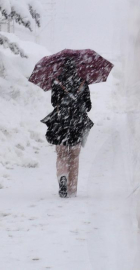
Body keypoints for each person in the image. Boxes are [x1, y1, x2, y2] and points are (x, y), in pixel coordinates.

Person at [41, 59, 94, 198]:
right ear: (76, 68)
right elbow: (88, 106)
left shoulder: (57, 81)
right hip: (77, 125)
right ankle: (72, 189)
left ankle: (62, 177)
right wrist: (79, 103)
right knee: (74, 158)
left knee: (62, 154)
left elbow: (54, 103)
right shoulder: (83, 82)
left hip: (61, 126)